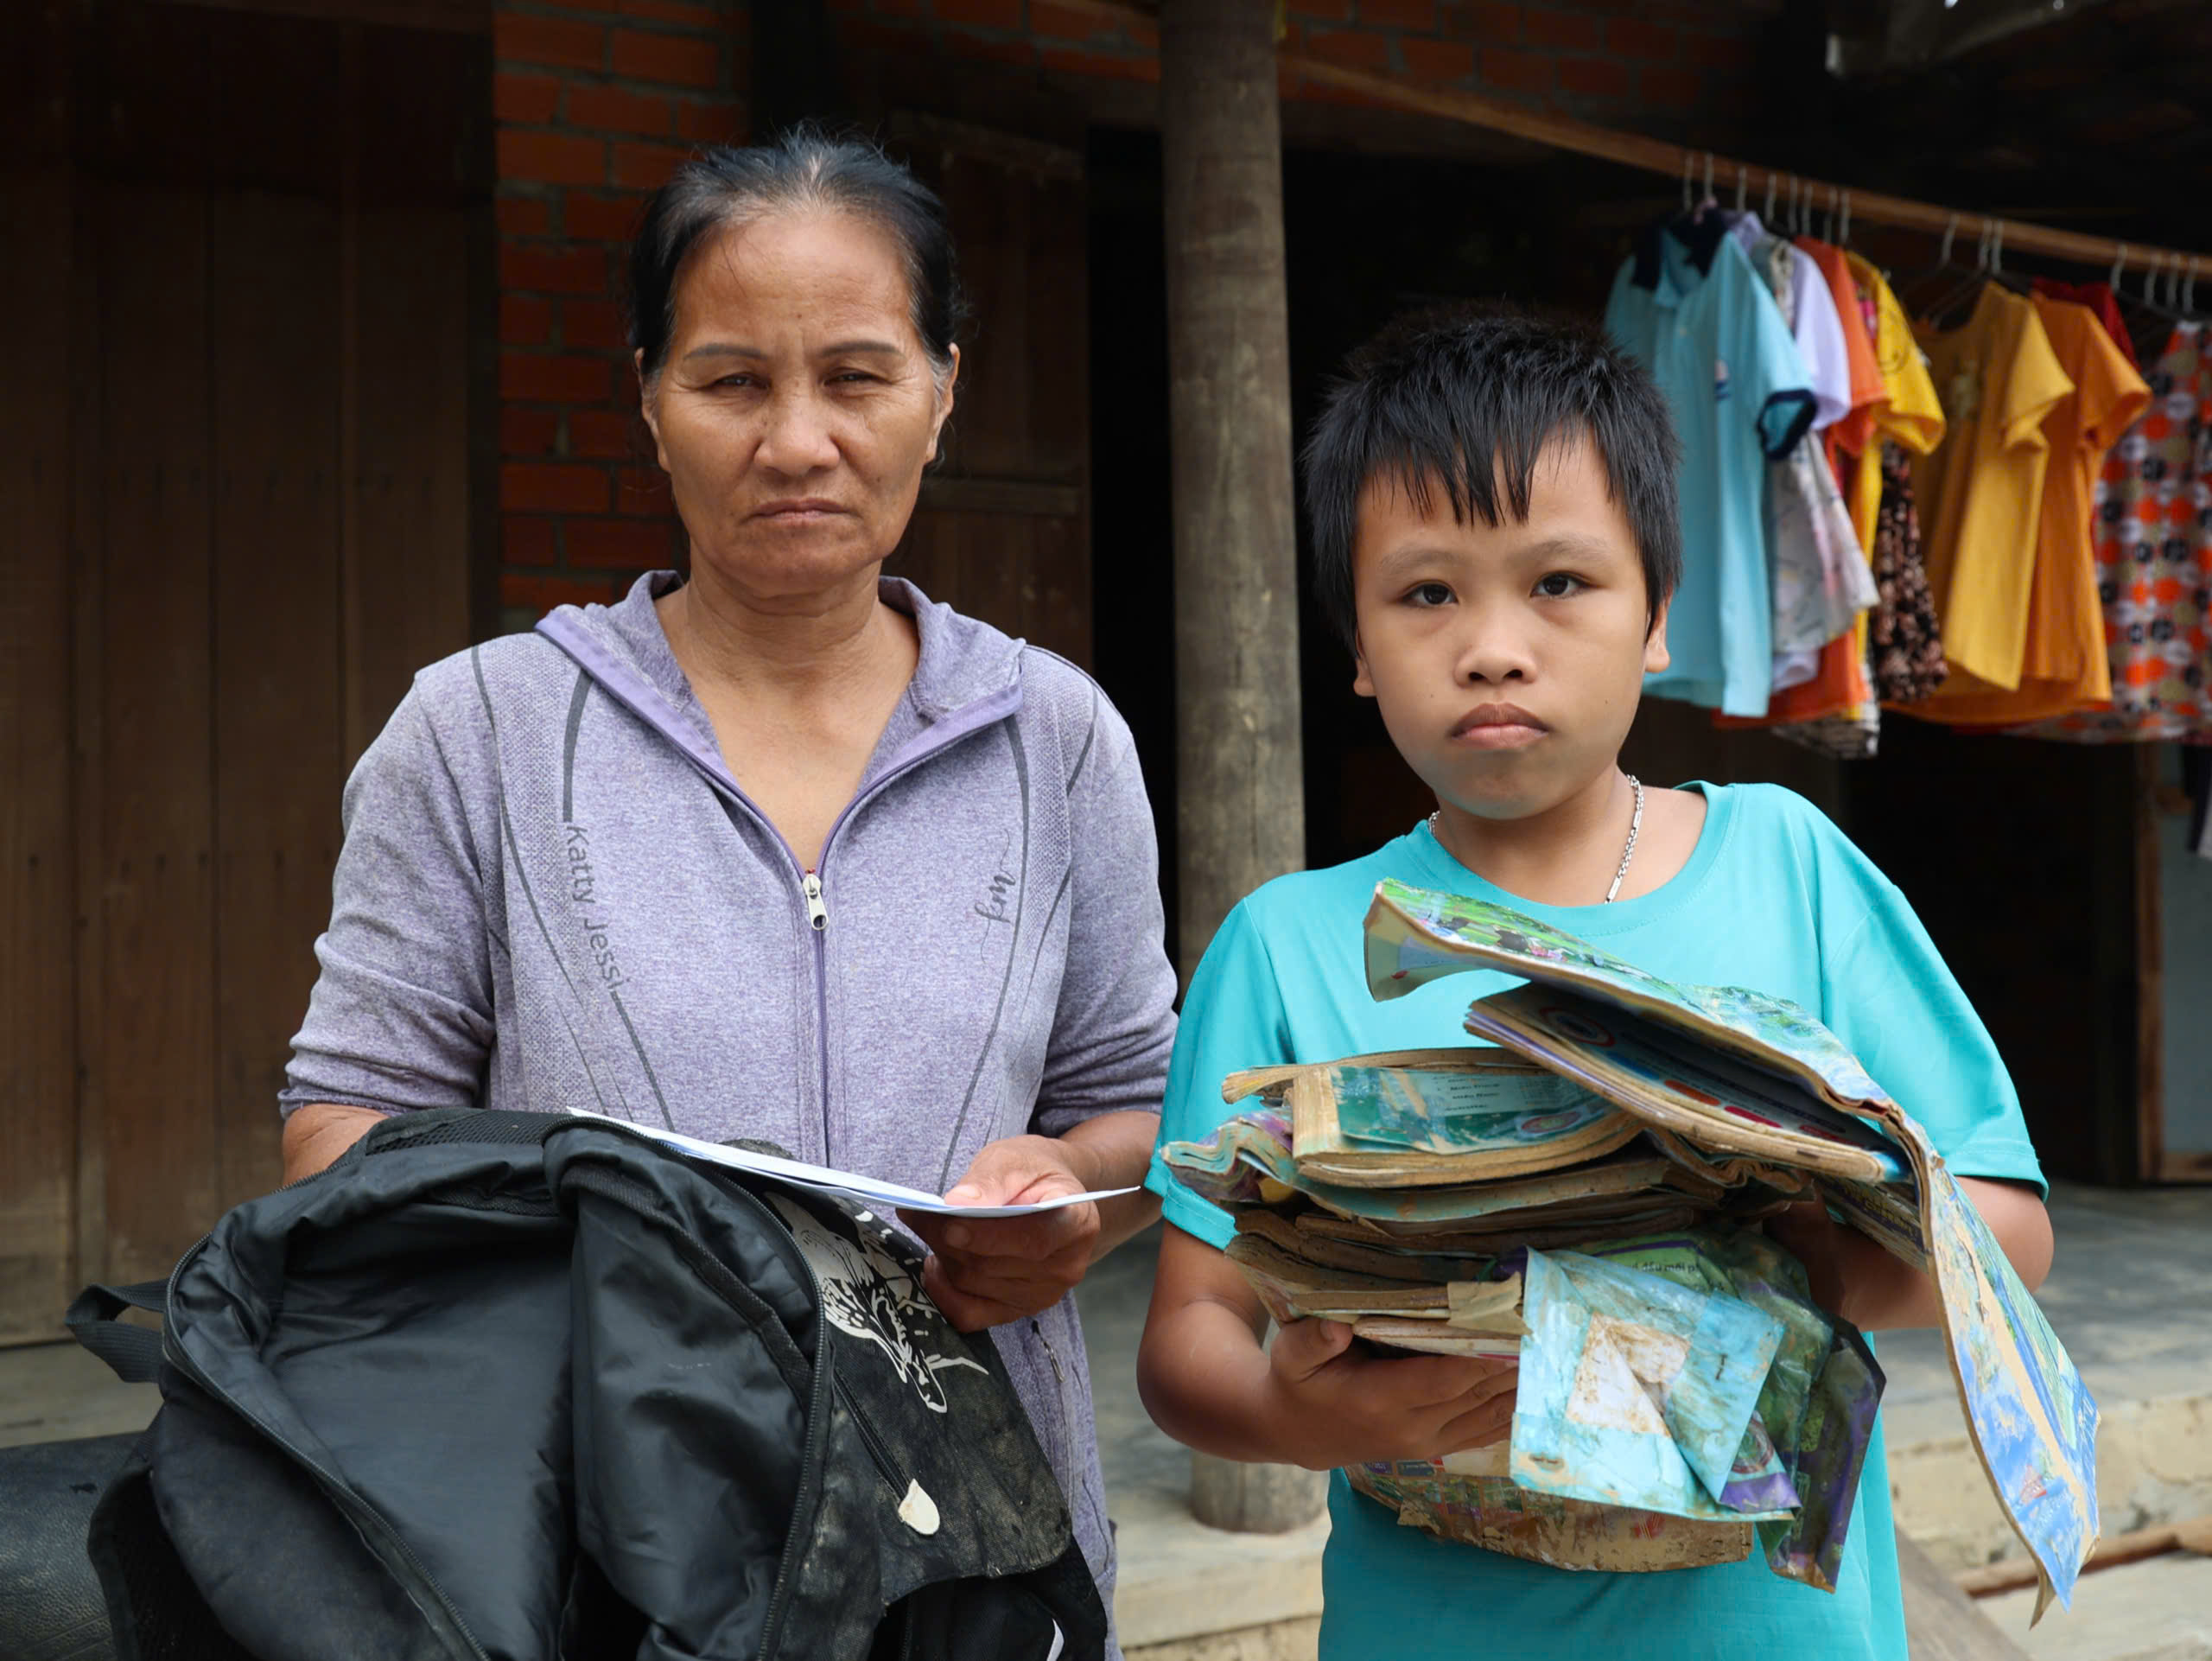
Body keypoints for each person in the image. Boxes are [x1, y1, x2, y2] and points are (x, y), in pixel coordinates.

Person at [279, 130, 1175, 1629]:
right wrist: (589, 1258)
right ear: (650, 398)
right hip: (599, 1547)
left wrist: (1061, 1199)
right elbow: (340, 1132)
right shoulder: (483, 730)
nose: (798, 440)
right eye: (733, 380)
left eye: (859, 376)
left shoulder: (1056, 738)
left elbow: (1139, 1107)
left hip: (977, 1563)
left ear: (943, 391)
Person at [1135, 307, 2054, 1661]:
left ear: (1658, 615)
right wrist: (1292, 1411)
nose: (1493, 646)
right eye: (1427, 593)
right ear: (1357, 645)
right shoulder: (1290, 941)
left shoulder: (1792, 868)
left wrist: (1805, 1255)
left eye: (1559, 582)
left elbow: (2008, 1234)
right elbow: (1188, 1332)